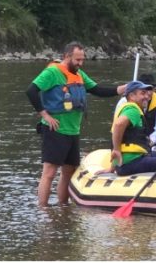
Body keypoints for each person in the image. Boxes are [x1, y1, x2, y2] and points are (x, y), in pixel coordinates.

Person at [25, 42, 127, 206]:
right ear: (67, 56)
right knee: (50, 172)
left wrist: (123, 89)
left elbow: (97, 90)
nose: (80, 63)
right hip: (55, 129)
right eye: (77, 60)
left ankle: (63, 207)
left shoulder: (79, 74)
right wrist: (45, 115)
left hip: (73, 131)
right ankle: (43, 210)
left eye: (82, 60)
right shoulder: (52, 72)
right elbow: (31, 91)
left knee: (68, 172)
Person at [110, 80, 156, 176]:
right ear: (131, 96)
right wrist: (117, 150)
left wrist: (112, 167)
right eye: (142, 93)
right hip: (132, 163)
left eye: (147, 93)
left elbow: (120, 137)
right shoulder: (133, 110)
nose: (147, 96)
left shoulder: (127, 108)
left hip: (127, 162)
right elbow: (118, 125)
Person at [113, 72, 156, 147]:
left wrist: (151, 140)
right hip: (129, 144)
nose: (147, 94)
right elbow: (118, 125)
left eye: (150, 89)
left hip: (151, 142)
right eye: (143, 91)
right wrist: (116, 149)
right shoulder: (126, 105)